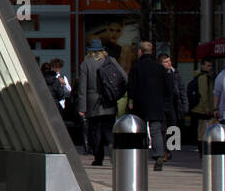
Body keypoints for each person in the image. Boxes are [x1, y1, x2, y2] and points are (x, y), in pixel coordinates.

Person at [79, 39, 122, 166]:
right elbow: (123, 78)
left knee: (95, 131)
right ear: (102, 50)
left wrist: (82, 107)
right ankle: (115, 156)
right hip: (109, 101)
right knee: (109, 130)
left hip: (93, 104)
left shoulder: (86, 64)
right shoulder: (111, 61)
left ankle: (98, 159)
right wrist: (116, 95)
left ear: (90, 52)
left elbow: (82, 88)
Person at [126, 41, 167, 171]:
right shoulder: (159, 67)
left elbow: (131, 86)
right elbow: (167, 87)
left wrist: (131, 100)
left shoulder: (137, 66)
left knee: (140, 129)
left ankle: (140, 155)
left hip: (141, 102)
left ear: (140, 52)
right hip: (156, 103)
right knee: (156, 130)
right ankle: (159, 154)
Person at [157, 53, 186, 164]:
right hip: (161, 106)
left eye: (169, 61)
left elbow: (181, 90)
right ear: (160, 64)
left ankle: (169, 150)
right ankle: (164, 151)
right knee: (162, 129)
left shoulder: (175, 74)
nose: (169, 63)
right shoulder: (158, 75)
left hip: (172, 105)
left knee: (173, 128)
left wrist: (184, 105)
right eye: (166, 62)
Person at [190, 59, 215, 155]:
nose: (210, 68)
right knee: (203, 130)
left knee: (201, 130)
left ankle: (202, 150)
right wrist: (207, 108)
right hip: (202, 109)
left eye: (211, 66)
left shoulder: (204, 76)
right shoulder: (203, 77)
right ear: (202, 66)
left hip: (199, 108)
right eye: (208, 65)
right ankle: (203, 150)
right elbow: (204, 94)